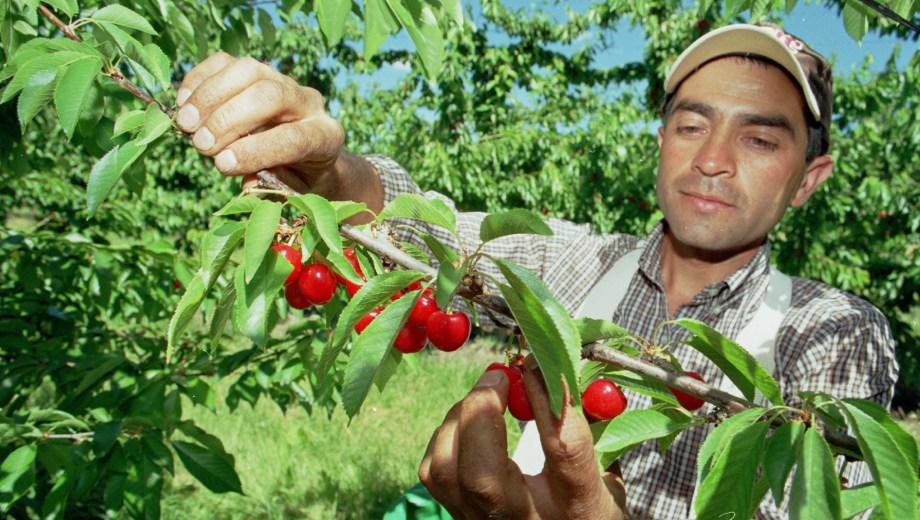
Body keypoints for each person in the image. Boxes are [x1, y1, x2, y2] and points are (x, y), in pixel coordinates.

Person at [173, 21, 898, 519]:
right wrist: (332, 173)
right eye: (691, 123)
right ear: (660, 140)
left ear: (808, 179)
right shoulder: (575, 265)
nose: (712, 158)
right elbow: (414, 228)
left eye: (762, 138)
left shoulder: (833, 336)